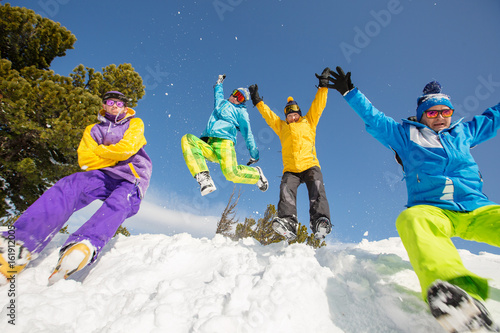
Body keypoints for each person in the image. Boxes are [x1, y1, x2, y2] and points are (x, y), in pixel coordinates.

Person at [329, 66, 500, 332]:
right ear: (422, 116)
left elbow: (494, 117)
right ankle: (457, 298)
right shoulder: (406, 136)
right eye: (432, 113)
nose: (440, 117)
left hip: (478, 208)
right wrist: (351, 93)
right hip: (433, 210)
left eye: (446, 112)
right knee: (412, 219)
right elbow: (375, 119)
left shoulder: (463, 133)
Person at [0, 91, 152, 285]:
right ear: (104, 105)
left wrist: (100, 152)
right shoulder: (93, 130)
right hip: (102, 175)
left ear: (125, 107)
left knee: (120, 202)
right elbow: (86, 160)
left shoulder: (135, 123)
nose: (115, 106)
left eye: (119, 103)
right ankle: (21, 241)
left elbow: (127, 149)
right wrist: (111, 154)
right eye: (110, 102)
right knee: (70, 184)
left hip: (132, 176)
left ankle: (85, 243)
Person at [248, 68, 333, 241]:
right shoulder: (282, 127)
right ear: (286, 117)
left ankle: (319, 220)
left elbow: (318, 105)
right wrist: (257, 101)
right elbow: (269, 116)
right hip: (291, 169)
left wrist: (323, 86)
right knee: (286, 190)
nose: (292, 118)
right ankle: (288, 221)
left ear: (299, 114)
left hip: (310, 164)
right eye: (289, 116)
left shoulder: (309, 121)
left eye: (295, 115)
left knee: (317, 188)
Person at [181, 74, 268, 196]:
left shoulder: (241, 112)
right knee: (188, 139)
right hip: (209, 143)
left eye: (240, 98)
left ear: (242, 102)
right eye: (235, 94)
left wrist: (254, 155)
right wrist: (219, 83)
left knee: (231, 173)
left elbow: (247, 133)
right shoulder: (221, 103)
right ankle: (204, 178)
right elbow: (218, 93)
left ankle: (256, 174)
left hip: (225, 143)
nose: (235, 98)